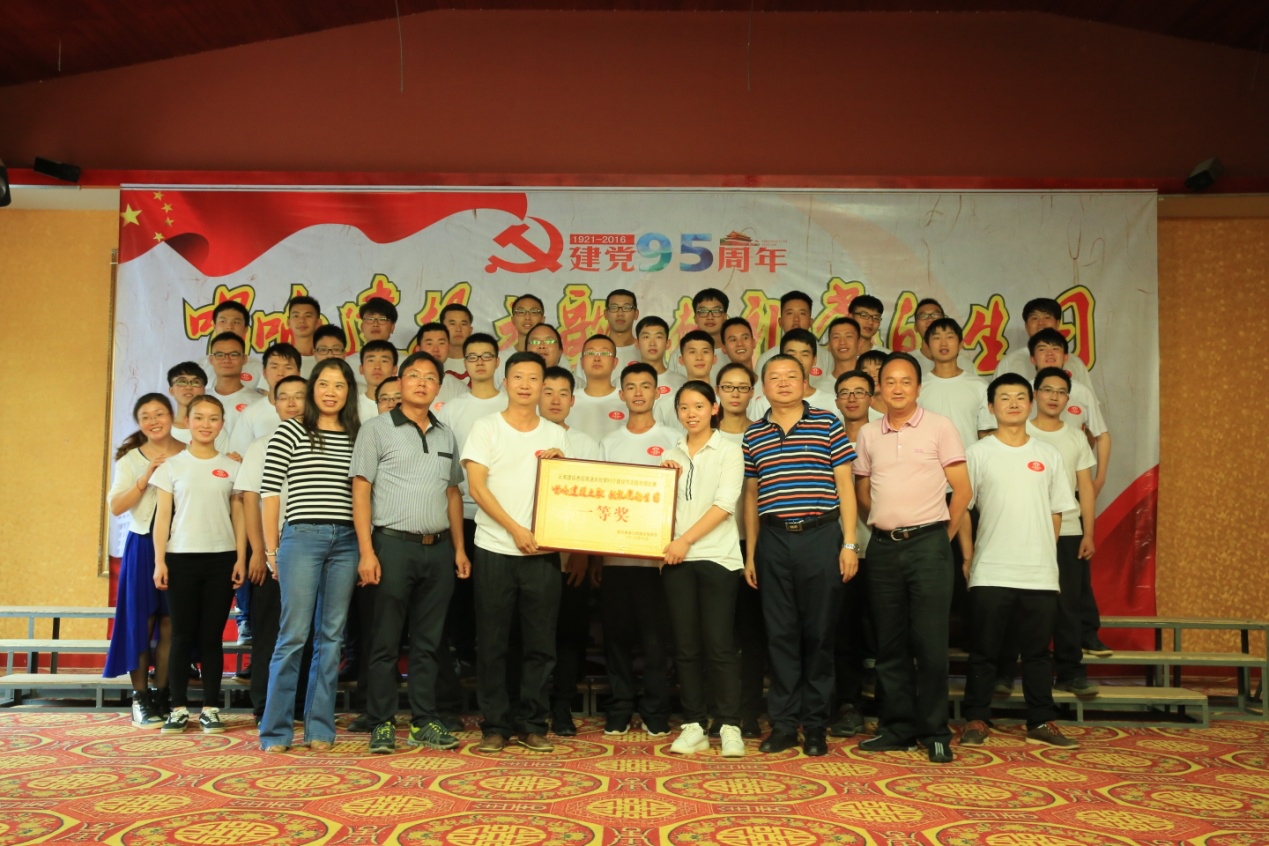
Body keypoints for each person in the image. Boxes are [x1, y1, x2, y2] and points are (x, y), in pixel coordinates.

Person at [853, 352, 970, 764]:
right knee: (890, 644)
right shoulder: (869, 433)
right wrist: (884, 521)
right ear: (879, 388)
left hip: (929, 545)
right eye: (890, 381)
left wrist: (941, 537)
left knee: (931, 644)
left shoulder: (940, 426)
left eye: (906, 381)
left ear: (919, 387)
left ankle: (935, 731)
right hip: (883, 547)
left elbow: (963, 489)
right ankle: (896, 728)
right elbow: (863, 489)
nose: (897, 388)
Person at [352, 351, 469, 754]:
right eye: (414, 375)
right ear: (400, 382)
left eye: (430, 377)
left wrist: (459, 549)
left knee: (429, 642)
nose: (422, 382)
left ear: (439, 387)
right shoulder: (376, 429)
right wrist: (366, 551)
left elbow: (452, 493)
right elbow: (361, 490)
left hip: (438, 550)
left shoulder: (445, 434)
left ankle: (424, 720)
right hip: (391, 547)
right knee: (384, 642)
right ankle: (381, 722)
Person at [743, 353, 859, 757]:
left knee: (819, 635)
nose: (783, 383)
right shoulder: (754, 434)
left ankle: (815, 727)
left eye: (791, 376)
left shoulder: (827, 422)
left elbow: (845, 486)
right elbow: (751, 497)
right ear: (763, 387)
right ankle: (783, 725)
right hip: (773, 540)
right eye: (774, 377)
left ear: (804, 381)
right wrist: (752, 553)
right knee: (780, 635)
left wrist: (849, 543)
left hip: (821, 536)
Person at [960, 373, 1079, 749]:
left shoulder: (1048, 454)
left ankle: (1041, 719)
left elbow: (1057, 510)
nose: (1012, 403)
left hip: (1039, 572)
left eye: (1019, 397)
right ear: (991, 407)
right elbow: (961, 509)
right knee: (984, 651)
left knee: (1038, 653)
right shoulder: (977, 453)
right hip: (991, 568)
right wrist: (968, 556)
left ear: (1030, 404)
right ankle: (976, 718)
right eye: (1004, 398)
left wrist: (1043, 551)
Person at [462, 351, 568, 753]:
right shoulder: (486, 427)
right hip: (495, 547)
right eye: (518, 377)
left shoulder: (555, 434)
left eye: (534, 378)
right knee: (493, 642)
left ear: (543, 386)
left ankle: (533, 723)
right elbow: (476, 488)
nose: (526, 384)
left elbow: (567, 493)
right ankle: (495, 725)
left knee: (540, 643)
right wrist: (515, 529)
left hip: (543, 553)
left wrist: (564, 467)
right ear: (505, 382)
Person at [257, 358, 360, 753]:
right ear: (313, 389)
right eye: (324, 384)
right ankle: (276, 731)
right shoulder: (291, 429)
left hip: (347, 541)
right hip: (301, 537)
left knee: (331, 638)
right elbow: (269, 493)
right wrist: (271, 549)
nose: (331, 392)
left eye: (339, 385)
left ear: (349, 392)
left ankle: (319, 728)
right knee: (293, 636)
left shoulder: (357, 435)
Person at [660, 381, 746, 757]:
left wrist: (685, 540)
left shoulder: (729, 450)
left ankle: (729, 725)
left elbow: (725, 505)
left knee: (720, 645)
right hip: (676, 560)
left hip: (717, 557)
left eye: (698, 406)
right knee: (686, 646)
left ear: (714, 408)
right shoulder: (670, 454)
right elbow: (658, 508)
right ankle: (694, 724)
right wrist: (663, 482)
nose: (691, 413)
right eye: (683, 407)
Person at [151, 395, 245, 734]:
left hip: (222, 559)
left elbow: (239, 516)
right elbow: (163, 518)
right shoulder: (171, 466)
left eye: (213, 418)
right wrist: (159, 561)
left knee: (211, 638)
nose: (206, 424)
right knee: (181, 635)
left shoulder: (233, 467)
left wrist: (241, 558)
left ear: (222, 424)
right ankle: (178, 708)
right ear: (188, 422)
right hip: (181, 558)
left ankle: (210, 708)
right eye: (199, 418)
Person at [598, 363, 681, 737]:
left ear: (657, 392)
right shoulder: (609, 442)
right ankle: (619, 708)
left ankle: (655, 710)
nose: (637, 392)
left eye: (645, 386)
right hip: (615, 556)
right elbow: (599, 498)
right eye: (630, 386)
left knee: (655, 640)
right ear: (621, 394)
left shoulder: (674, 439)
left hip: (658, 560)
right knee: (616, 637)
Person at [1006, 366, 1100, 697]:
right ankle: (1006, 672)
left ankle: (1070, 673)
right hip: (1023, 530)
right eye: (1048, 390)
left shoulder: (1075, 437)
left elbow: (1085, 488)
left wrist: (1088, 533)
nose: (1054, 397)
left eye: (1061, 392)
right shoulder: (1019, 431)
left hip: (1070, 531)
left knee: (1067, 606)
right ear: (1035, 395)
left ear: (1067, 399)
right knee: (1016, 603)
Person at [105, 393, 184, 728]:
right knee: (142, 621)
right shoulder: (130, 460)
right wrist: (145, 476)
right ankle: (140, 698)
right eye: (146, 416)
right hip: (142, 544)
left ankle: (162, 693)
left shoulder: (189, 452)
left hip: (182, 545)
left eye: (159, 414)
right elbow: (116, 506)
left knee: (171, 623)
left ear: (171, 416)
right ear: (139, 423)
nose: (154, 421)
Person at [234, 375, 309, 726]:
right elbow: (251, 500)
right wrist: (260, 552)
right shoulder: (261, 445)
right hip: (273, 553)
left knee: (308, 633)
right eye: (284, 397)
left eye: (299, 396)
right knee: (270, 633)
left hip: (312, 551)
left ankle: (301, 705)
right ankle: (265, 706)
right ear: (274, 404)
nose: (292, 403)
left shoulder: (325, 442)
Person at [538, 365, 602, 736]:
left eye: (563, 393)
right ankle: (530, 707)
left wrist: (582, 553)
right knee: (532, 635)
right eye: (548, 392)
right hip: (529, 556)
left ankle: (562, 707)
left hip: (571, 559)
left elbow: (596, 504)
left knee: (568, 635)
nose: (555, 400)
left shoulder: (586, 444)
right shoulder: (522, 436)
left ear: (573, 400)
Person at [716, 363, 764, 738]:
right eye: (728, 387)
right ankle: (718, 712)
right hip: (713, 546)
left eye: (742, 387)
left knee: (752, 635)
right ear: (717, 391)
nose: (735, 393)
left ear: (752, 393)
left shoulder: (762, 434)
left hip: (753, 544)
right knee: (718, 635)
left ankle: (748, 713)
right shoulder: (703, 432)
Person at [830, 370, 879, 737]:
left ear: (872, 399)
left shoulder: (884, 437)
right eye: (844, 392)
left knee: (884, 630)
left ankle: (890, 706)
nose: (851, 398)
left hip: (880, 547)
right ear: (835, 401)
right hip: (838, 551)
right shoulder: (825, 438)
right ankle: (848, 704)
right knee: (843, 632)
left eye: (859, 392)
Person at [997, 298, 1094, 390]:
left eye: (1047, 317)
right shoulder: (1009, 361)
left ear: (1058, 323)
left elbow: (1088, 398)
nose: (1041, 323)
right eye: (1035, 318)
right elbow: (996, 397)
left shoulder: (1074, 362)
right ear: (1026, 326)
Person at [229, 343, 302, 457]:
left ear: (298, 373)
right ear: (264, 373)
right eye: (274, 367)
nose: (281, 373)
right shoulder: (251, 413)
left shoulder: (312, 411)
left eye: (288, 367)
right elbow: (238, 456)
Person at [749, 329, 837, 418]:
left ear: (814, 360)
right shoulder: (764, 404)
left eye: (804, 355)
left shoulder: (831, 402)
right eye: (791, 355)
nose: (798, 360)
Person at [756, 291, 834, 376]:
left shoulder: (827, 358)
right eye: (790, 313)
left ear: (810, 322)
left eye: (802, 313)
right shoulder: (766, 359)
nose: (796, 319)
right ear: (780, 322)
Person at [207, 331, 263, 446]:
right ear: (211, 360)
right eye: (220, 355)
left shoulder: (258, 402)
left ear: (244, 359)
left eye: (233, 354)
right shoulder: (200, 400)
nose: (226, 359)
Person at [568, 334, 627, 443]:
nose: (597, 358)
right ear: (582, 362)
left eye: (604, 353)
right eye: (590, 353)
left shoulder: (626, 400)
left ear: (615, 363)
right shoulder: (568, 401)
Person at [635, 316, 687, 427]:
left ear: (668, 344)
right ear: (637, 343)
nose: (652, 343)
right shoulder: (622, 382)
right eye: (646, 337)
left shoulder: (682, 382)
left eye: (658, 337)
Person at [166, 361, 227, 452]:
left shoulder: (214, 429)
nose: (189, 387)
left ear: (204, 390)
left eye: (195, 382)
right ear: (171, 391)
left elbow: (224, 460)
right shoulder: (163, 429)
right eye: (182, 382)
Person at [669, 289, 729, 376]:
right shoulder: (679, 355)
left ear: (725, 316)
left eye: (716, 311)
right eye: (703, 311)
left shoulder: (733, 353)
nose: (710, 317)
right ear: (695, 318)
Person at [410, 322, 468, 411]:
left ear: (449, 348)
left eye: (441, 343)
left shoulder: (460, 389)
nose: (436, 349)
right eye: (429, 344)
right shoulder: (405, 383)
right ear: (418, 349)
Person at [909, 298, 977, 374]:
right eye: (923, 316)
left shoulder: (964, 362)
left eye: (935, 315)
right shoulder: (908, 362)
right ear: (916, 327)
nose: (930, 319)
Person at [211, 300, 265, 391]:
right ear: (214, 326)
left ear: (245, 329)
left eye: (236, 322)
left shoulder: (259, 369)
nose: (229, 326)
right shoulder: (200, 367)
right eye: (223, 321)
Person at [816, 317, 862, 394]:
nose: (842, 342)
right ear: (829, 345)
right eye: (836, 337)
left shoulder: (871, 383)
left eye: (848, 336)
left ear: (859, 343)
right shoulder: (819, 389)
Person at [356, 340, 398, 421]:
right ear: (361, 369)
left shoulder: (404, 406)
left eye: (384, 361)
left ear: (395, 369)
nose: (377, 367)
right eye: (371, 360)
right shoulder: (351, 406)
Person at [439, 303, 475, 384]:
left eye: (463, 324)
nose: (458, 329)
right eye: (452, 324)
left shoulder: (482, 362)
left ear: (470, 330)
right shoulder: (431, 363)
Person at [286, 295, 322, 375]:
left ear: (318, 323)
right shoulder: (279, 360)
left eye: (308, 316)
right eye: (296, 316)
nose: (302, 320)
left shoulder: (327, 358)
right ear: (288, 323)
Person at [604, 289, 640, 367]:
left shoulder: (646, 351)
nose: (620, 313)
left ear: (636, 314)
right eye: (614, 307)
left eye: (627, 307)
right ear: (605, 314)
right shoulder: (591, 352)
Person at [857, 350, 889, 418]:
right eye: (865, 372)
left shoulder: (907, 407)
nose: (872, 375)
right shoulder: (859, 414)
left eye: (878, 370)